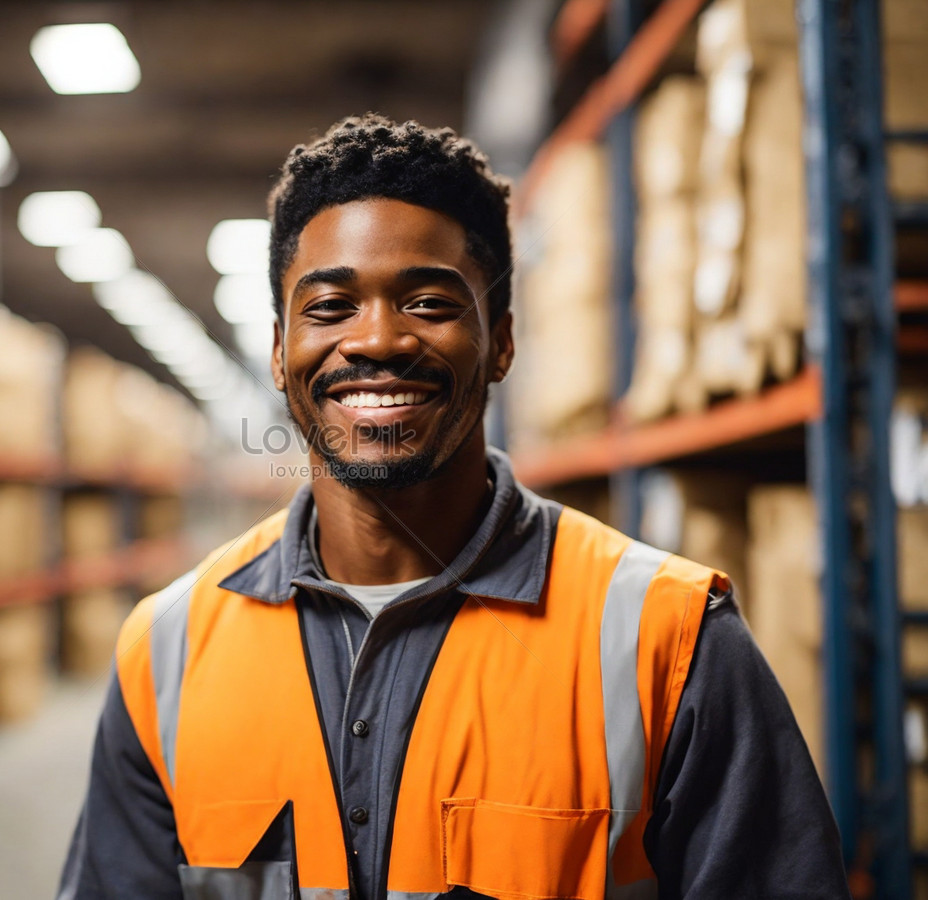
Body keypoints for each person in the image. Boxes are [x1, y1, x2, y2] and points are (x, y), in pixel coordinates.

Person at [57, 115, 849, 900]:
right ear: (277, 351)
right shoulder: (166, 650)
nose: (376, 340)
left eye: (428, 303)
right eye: (329, 307)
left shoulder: (667, 640)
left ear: (501, 340)